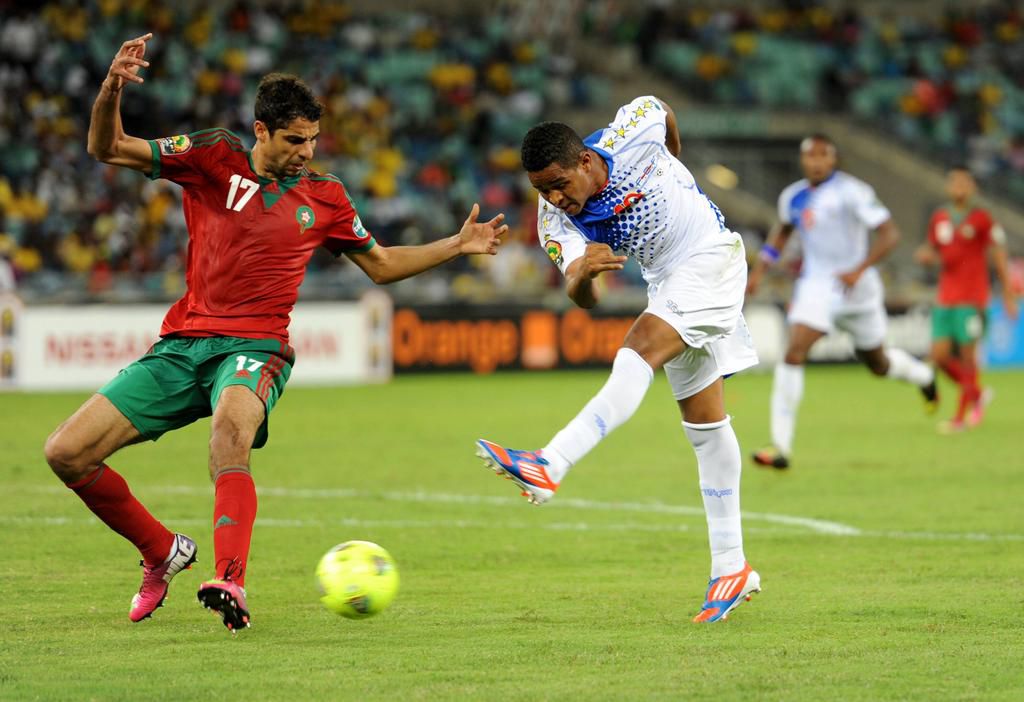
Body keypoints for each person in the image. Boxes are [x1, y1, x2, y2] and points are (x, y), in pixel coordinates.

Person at [43, 34, 506, 632]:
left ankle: (229, 579)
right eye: (294, 140)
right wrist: (111, 89)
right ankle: (161, 552)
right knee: (66, 453)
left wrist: (457, 244)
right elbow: (106, 147)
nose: (306, 152)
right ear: (260, 131)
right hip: (182, 345)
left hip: (256, 348)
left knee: (229, 435)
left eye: (313, 139)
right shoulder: (212, 155)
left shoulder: (327, 197)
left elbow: (383, 266)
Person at [476, 96, 761, 623]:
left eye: (560, 183)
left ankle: (550, 461)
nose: (555, 198)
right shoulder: (555, 222)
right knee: (704, 424)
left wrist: (675, 162)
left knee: (638, 349)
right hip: (668, 281)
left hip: (711, 257)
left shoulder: (632, 130)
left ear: (586, 160)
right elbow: (581, 298)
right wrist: (582, 275)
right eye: (542, 190)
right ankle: (732, 567)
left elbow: (663, 109)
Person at [746, 134, 937, 470]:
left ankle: (923, 376)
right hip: (817, 286)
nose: (816, 162)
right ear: (803, 160)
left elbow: (890, 234)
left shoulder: (854, 191)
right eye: (810, 156)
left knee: (878, 365)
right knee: (794, 351)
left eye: (823, 156)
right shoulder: (793, 197)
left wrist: (858, 269)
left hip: (859, 288)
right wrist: (759, 271)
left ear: (833, 159)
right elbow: (782, 233)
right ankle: (780, 447)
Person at [914, 166, 1019, 432]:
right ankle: (977, 394)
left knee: (968, 357)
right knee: (938, 357)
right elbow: (933, 250)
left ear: (973, 188)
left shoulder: (982, 218)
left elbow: (998, 253)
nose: (959, 187)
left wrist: (1007, 292)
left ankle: (961, 418)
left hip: (972, 297)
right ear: (948, 187)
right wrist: (926, 257)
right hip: (945, 296)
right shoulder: (939, 217)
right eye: (955, 182)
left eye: (965, 182)